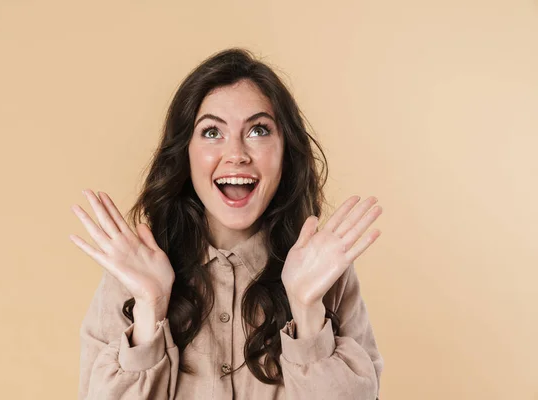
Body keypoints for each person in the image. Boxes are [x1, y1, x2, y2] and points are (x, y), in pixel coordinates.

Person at [70, 48, 384, 400]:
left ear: (285, 152)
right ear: (185, 151)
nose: (236, 153)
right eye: (211, 132)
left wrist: (307, 311)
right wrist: (150, 309)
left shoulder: (325, 271)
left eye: (259, 130)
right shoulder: (132, 272)